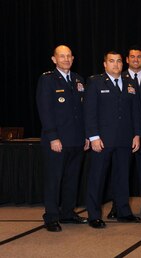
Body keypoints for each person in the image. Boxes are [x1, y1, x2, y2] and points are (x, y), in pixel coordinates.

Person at [84, 51, 141, 229]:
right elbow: (90, 111)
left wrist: (137, 134)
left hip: (125, 139)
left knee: (122, 177)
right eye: (111, 61)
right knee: (97, 178)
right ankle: (94, 215)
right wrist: (93, 137)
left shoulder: (130, 83)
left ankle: (123, 212)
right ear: (105, 64)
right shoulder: (95, 82)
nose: (116, 64)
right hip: (102, 140)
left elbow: (136, 112)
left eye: (118, 61)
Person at [36, 45, 89, 232]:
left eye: (69, 56)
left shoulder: (78, 80)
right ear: (54, 59)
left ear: (73, 58)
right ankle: (51, 216)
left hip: (76, 140)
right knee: (54, 179)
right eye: (62, 56)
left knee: (72, 179)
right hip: (57, 141)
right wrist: (52, 137)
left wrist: (86, 137)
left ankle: (68, 213)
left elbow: (83, 113)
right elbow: (45, 111)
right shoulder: (48, 80)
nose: (66, 59)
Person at [108, 46, 141, 219]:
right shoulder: (119, 78)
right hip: (123, 135)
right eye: (132, 57)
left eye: (139, 57)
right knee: (120, 172)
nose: (135, 59)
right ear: (127, 59)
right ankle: (116, 207)